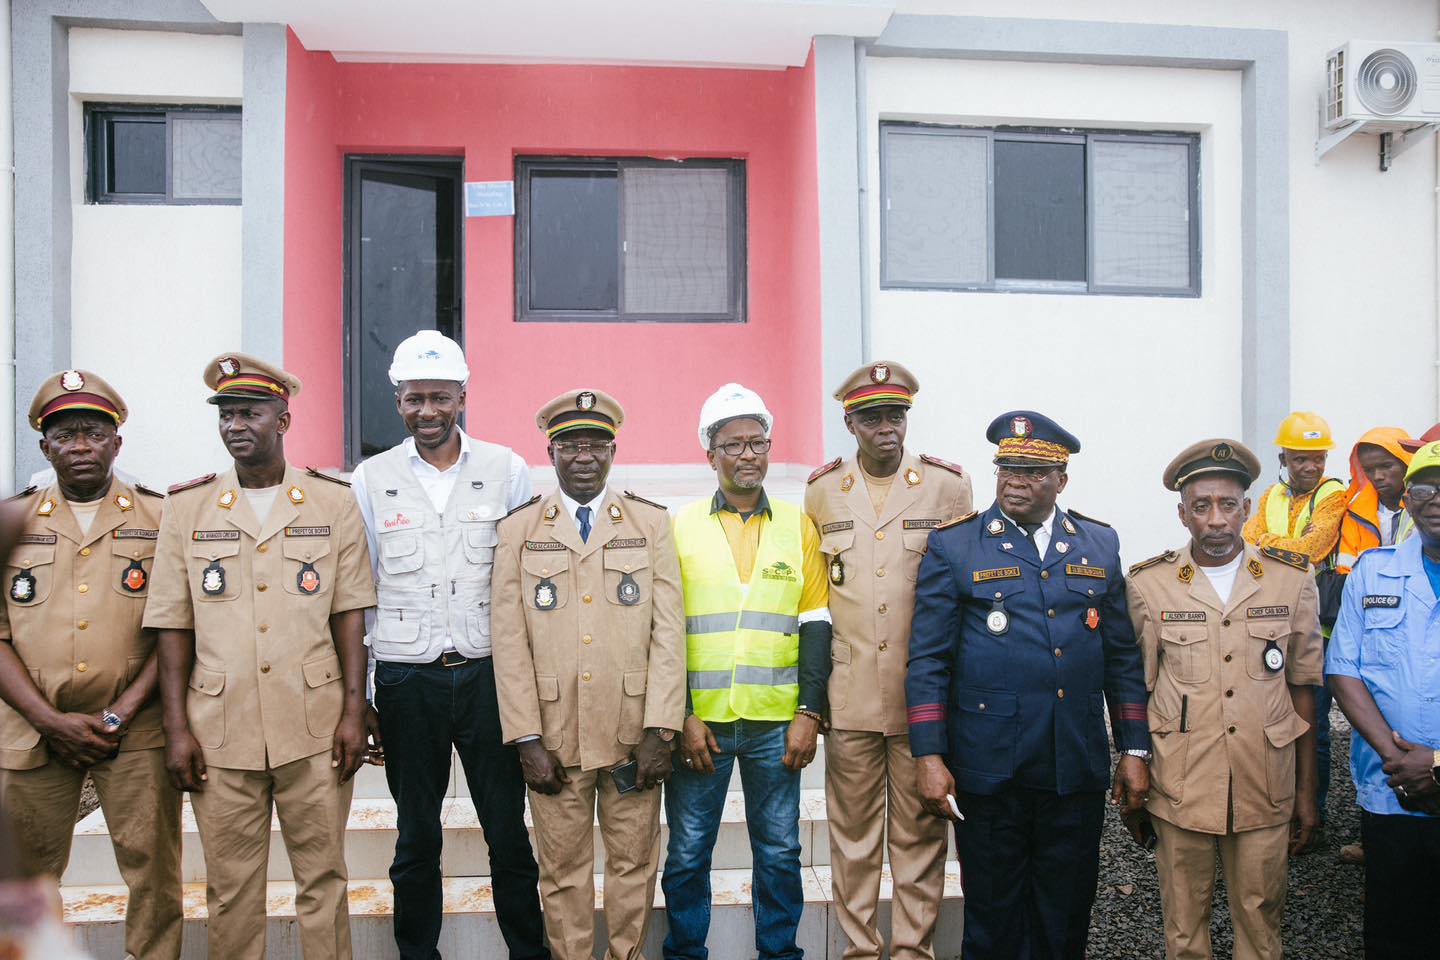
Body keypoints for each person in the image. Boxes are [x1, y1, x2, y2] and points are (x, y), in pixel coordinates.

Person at [146, 353, 377, 960]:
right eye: (225, 415)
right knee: (229, 889)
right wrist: (176, 728)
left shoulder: (332, 502)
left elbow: (349, 612)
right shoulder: (188, 507)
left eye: (249, 412)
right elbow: (172, 624)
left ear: (283, 419)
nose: (234, 425)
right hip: (221, 729)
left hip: (315, 722)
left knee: (323, 880)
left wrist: (355, 711)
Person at [905, 410, 1149, 960]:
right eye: (1007, 467)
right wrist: (929, 754)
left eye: (1033, 471)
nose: (1016, 480)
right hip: (990, 767)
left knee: (1065, 919)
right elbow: (928, 662)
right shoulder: (957, 546)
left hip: (1072, 763)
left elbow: (1122, 660)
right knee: (993, 920)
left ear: (1061, 480)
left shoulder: (1098, 544)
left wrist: (1134, 746)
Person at [349, 330, 546, 960]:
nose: (427, 411)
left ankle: (528, 951)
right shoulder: (371, 479)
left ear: (462, 396)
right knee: (415, 837)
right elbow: (363, 589)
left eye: (440, 397)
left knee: (508, 834)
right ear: (397, 401)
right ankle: (418, 953)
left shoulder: (507, 469)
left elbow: (522, 581)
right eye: (414, 399)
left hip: (488, 676)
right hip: (409, 679)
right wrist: (366, 695)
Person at [492, 388, 685, 960]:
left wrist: (662, 729)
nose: (584, 456)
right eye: (570, 445)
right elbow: (509, 643)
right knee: (562, 872)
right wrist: (525, 737)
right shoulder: (519, 531)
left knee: (633, 868)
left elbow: (668, 633)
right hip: (553, 736)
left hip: (632, 735)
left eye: (596, 444)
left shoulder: (650, 524)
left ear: (613, 451)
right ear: (549, 453)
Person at [0, 370, 182, 958]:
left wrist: (118, 715)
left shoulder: (161, 518)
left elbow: (176, 629)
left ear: (116, 443)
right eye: (66, 434)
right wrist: (50, 720)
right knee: (21, 883)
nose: (80, 446)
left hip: (137, 732)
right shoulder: (12, 521)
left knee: (154, 877)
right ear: (44, 446)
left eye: (94, 433)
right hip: (30, 732)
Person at [1124, 439, 1321, 959]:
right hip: (1181, 782)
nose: (1216, 520)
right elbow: (1135, 691)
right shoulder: (1150, 586)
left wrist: (1307, 790)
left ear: (1247, 510)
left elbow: (1303, 688)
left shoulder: (1290, 580)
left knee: (1260, 919)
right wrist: (1133, 769)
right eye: (1202, 506)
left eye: (1228, 505)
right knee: (1184, 924)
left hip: (1265, 781)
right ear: (1182, 514)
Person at [802, 361, 971, 960]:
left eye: (895, 416)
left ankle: (911, 952)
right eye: (872, 418)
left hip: (921, 697)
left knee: (920, 838)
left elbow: (964, 596)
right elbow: (819, 599)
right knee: (851, 842)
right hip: (849, 697)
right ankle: (858, 951)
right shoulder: (822, 491)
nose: (886, 428)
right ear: (850, 423)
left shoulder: (947, 487)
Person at [663, 383, 831, 960]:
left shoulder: (797, 525)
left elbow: (815, 623)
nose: (749, 454)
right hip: (700, 727)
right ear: (710, 455)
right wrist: (681, 714)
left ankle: (780, 954)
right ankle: (686, 952)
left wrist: (809, 712)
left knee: (781, 851)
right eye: (733, 444)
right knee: (687, 853)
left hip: (774, 725)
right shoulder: (679, 527)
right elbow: (664, 633)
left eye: (758, 442)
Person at [1327, 439, 1440, 959]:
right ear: (1408, 501)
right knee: (1396, 933)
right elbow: (1343, 669)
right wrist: (1399, 760)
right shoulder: (1374, 570)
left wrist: (1434, 765)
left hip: (1419, 774)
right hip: (1393, 788)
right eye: (1426, 487)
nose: (1436, 498)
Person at [1241, 410, 1346, 828]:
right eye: (1301, 457)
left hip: (1317, 626)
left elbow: (1314, 548)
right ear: (1283, 458)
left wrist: (1268, 542)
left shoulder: (1334, 494)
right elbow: (1246, 542)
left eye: (1317, 457)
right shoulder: (1271, 496)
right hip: (1274, 624)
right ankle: (1277, 807)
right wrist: (1275, 543)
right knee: (1270, 720)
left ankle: (1311, 813)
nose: (1311, 466)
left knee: (1312, 727)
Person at [1333, 426, 1415, 864]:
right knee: (1370, 738)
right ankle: (1375, 838)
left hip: (1411, 623)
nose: (1380, 476)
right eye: (1371, 469)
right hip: (1368, 622)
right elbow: (1347, 568)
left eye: (1388, 466)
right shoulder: (1356, 509)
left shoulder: (1422, 506)